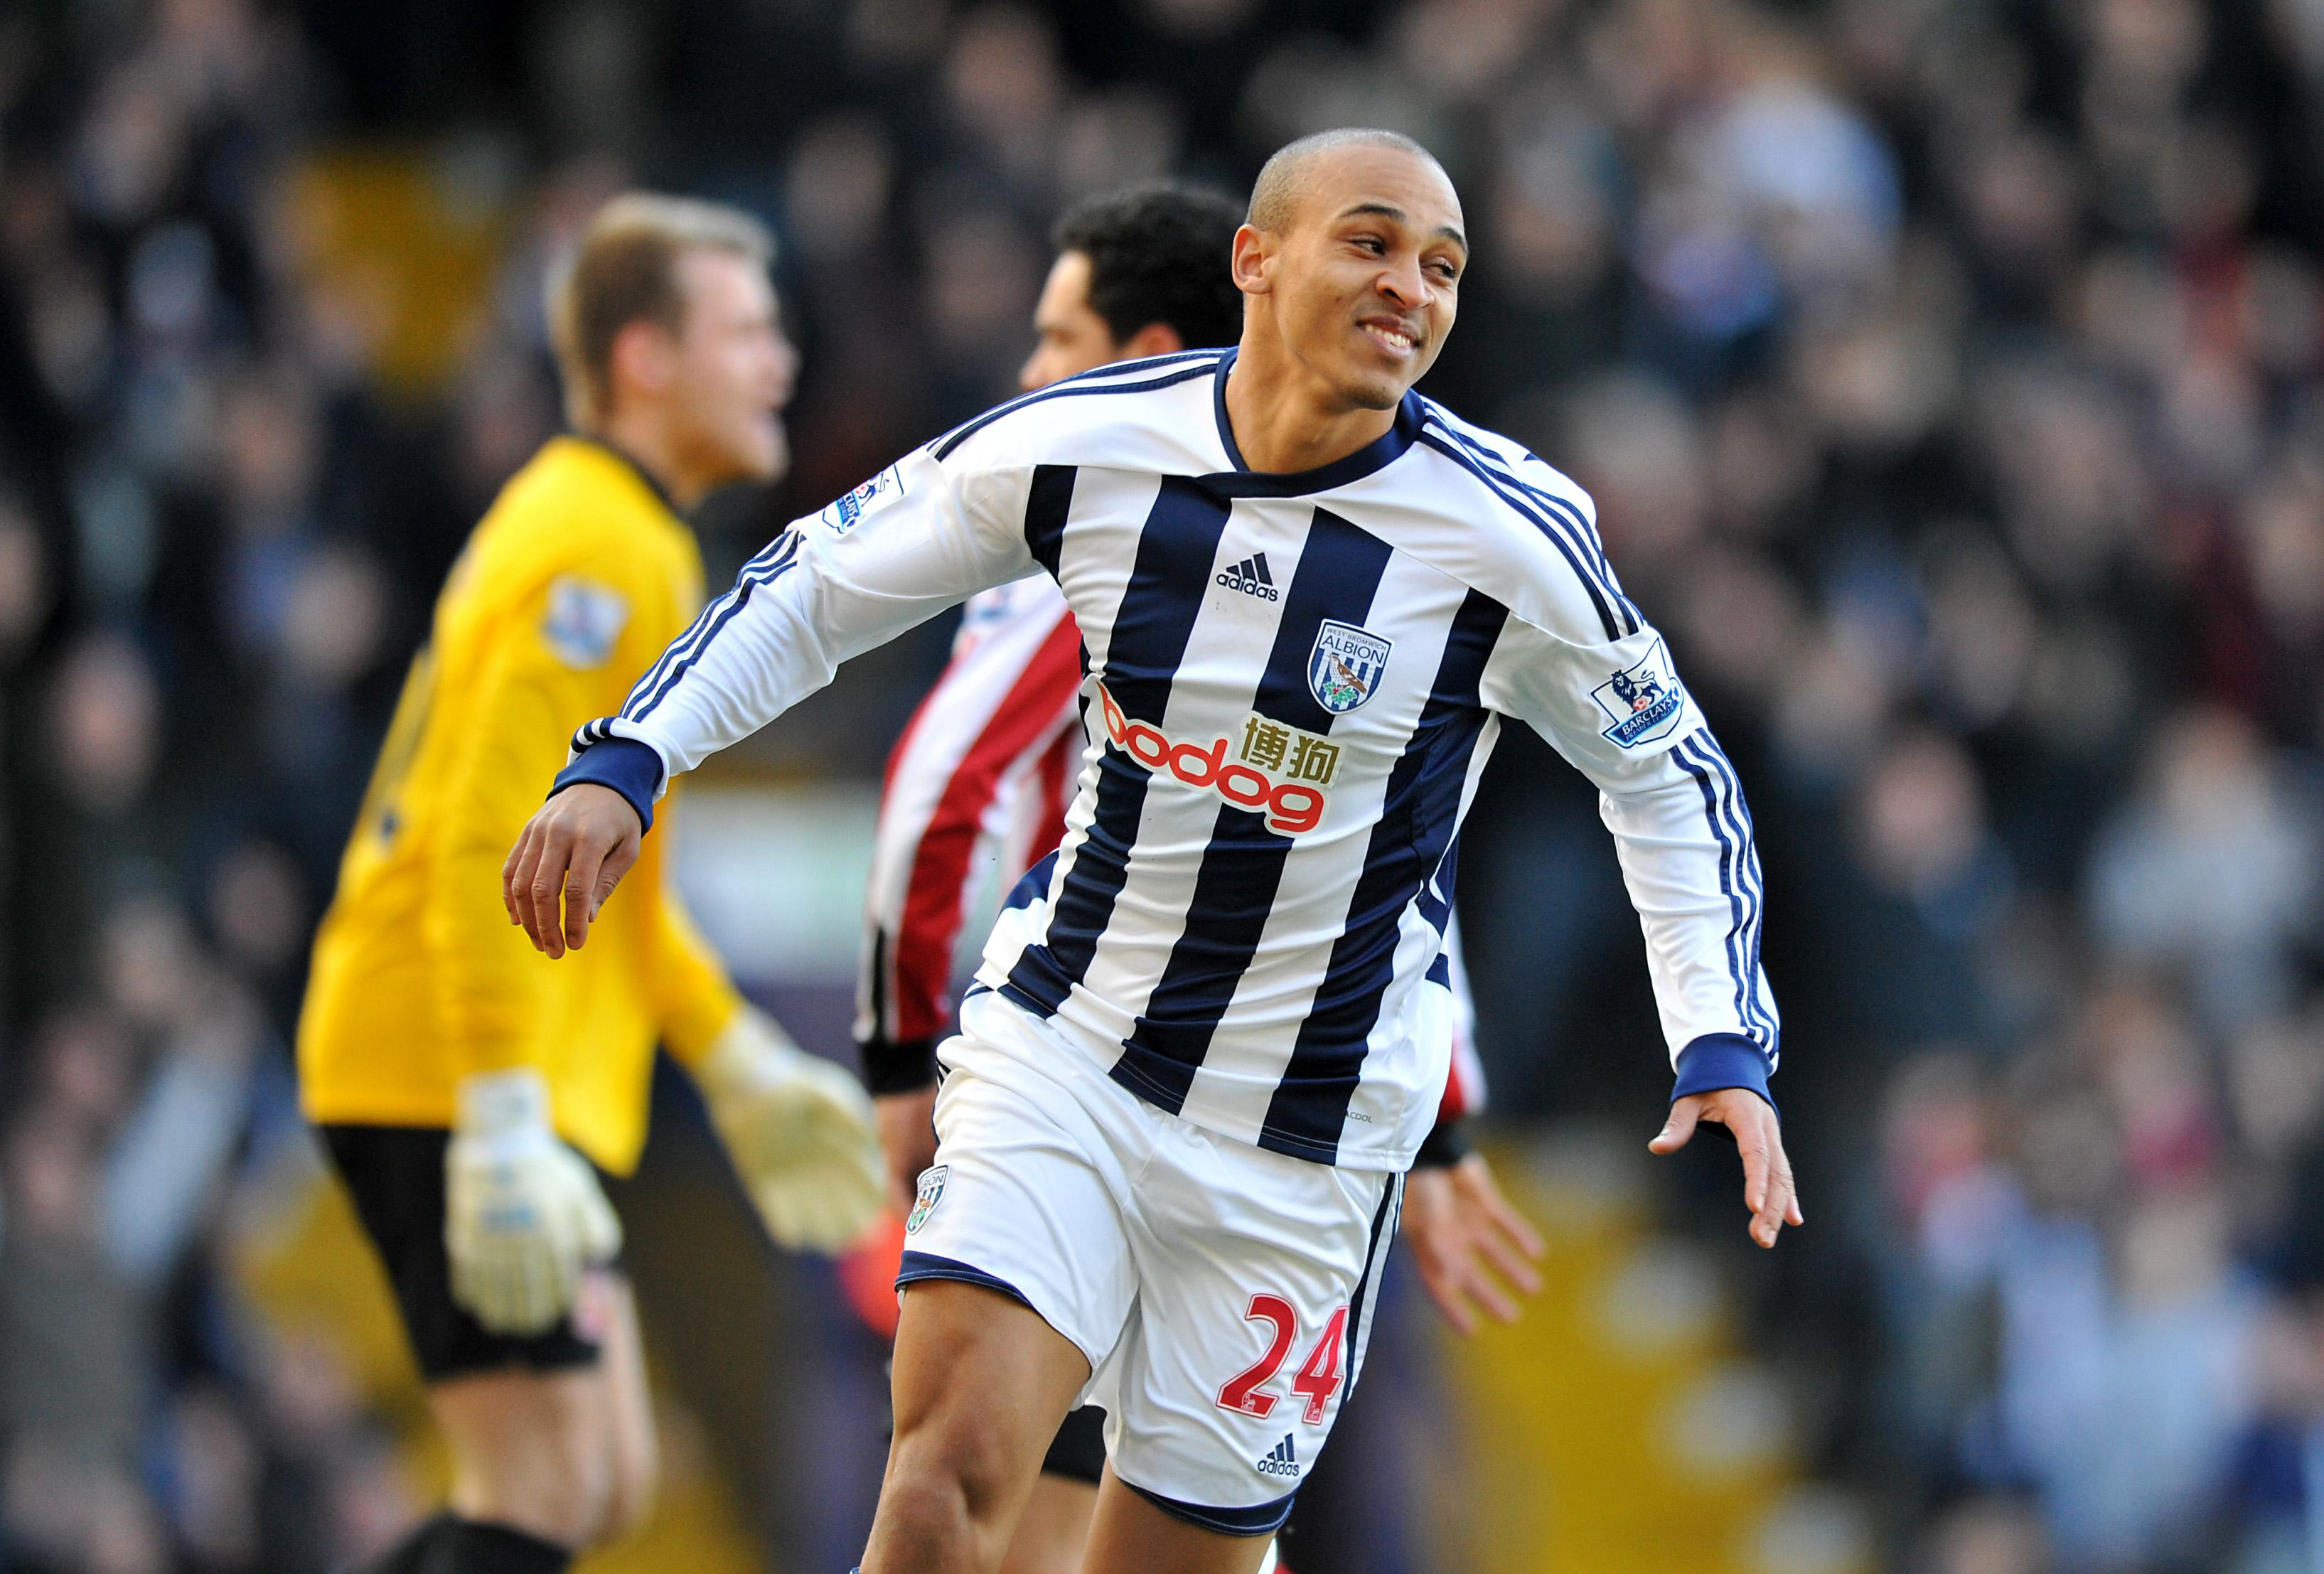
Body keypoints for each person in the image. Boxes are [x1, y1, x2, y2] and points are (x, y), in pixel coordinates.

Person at [510, 130, 1799, 1574]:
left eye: (1443, 266)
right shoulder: (1094, 445)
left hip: (1300, 1161)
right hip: (1071, 1055)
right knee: (939, 1491)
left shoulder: (1509, 534)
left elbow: (1667, 777)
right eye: (1370, 242)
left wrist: (1718, 1037)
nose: (1412, 287)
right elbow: (818, 582)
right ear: (1256, 260)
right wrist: (631, 756)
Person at [854, 182, 1542, 1574]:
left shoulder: (1125, 538)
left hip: (1126, 1106)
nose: (1032, 375)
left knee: (998, 1525)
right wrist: (1451, 1120)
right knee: (1011, 1520)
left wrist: (900, 1059)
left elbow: (943, 792)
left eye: (1057, 342)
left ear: (1141, 346)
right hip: (1186, 1120)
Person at [297, 194, 887, 1574]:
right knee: (550, 1485)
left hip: (464, 1064)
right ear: (645, 359)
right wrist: (500, 1116)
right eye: (748, 331)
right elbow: (476, 844)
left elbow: (611, 887)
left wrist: (736, 1061)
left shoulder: (622, 536)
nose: (781, 362)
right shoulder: (599, 549)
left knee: (601, 1478)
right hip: (444, 1066)